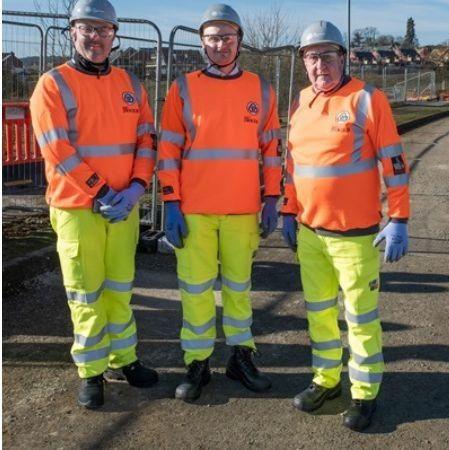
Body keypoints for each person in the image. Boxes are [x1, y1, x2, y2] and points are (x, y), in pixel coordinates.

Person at [29, 0, 159, 409]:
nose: (96, 37)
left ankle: (125, 358)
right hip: (78, 208)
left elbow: (146, 140)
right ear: (72, 32)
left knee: (120, 289)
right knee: (86, 294)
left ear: (114, 35)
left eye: (104, 30)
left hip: (125, 206)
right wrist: (103, 192)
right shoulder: (52, 85)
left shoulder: (132, 85)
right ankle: (91, 370)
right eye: (87, 28)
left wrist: (137, 188)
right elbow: (58, 150)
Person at [281, 20, 410, 431]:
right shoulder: (300, 102)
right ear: (304, 62)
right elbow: (292, 166)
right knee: (319, 314)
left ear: (344, 57)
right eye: (312, 56)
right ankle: (326, 381)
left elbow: (394, 163)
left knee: (359, 318)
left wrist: (399, 218)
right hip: (310, 233)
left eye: (328, 55)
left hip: (355, 237)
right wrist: (288, 209)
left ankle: (364, 394)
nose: (321, 64)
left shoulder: (367, 100)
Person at [157, 3, 281, 402]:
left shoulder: (261, 90)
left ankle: (241, 356)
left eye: (227, 37)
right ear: (202, 43)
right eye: (212, 37)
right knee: (194, 289)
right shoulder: (183, 88)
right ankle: (197, 363)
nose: (220, 45)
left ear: (239, 41)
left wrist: (272, 197)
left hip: (243, 209)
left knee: (239, 288)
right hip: (194, 210)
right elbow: (168, 150)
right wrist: (170, 202)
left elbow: (273, 150)